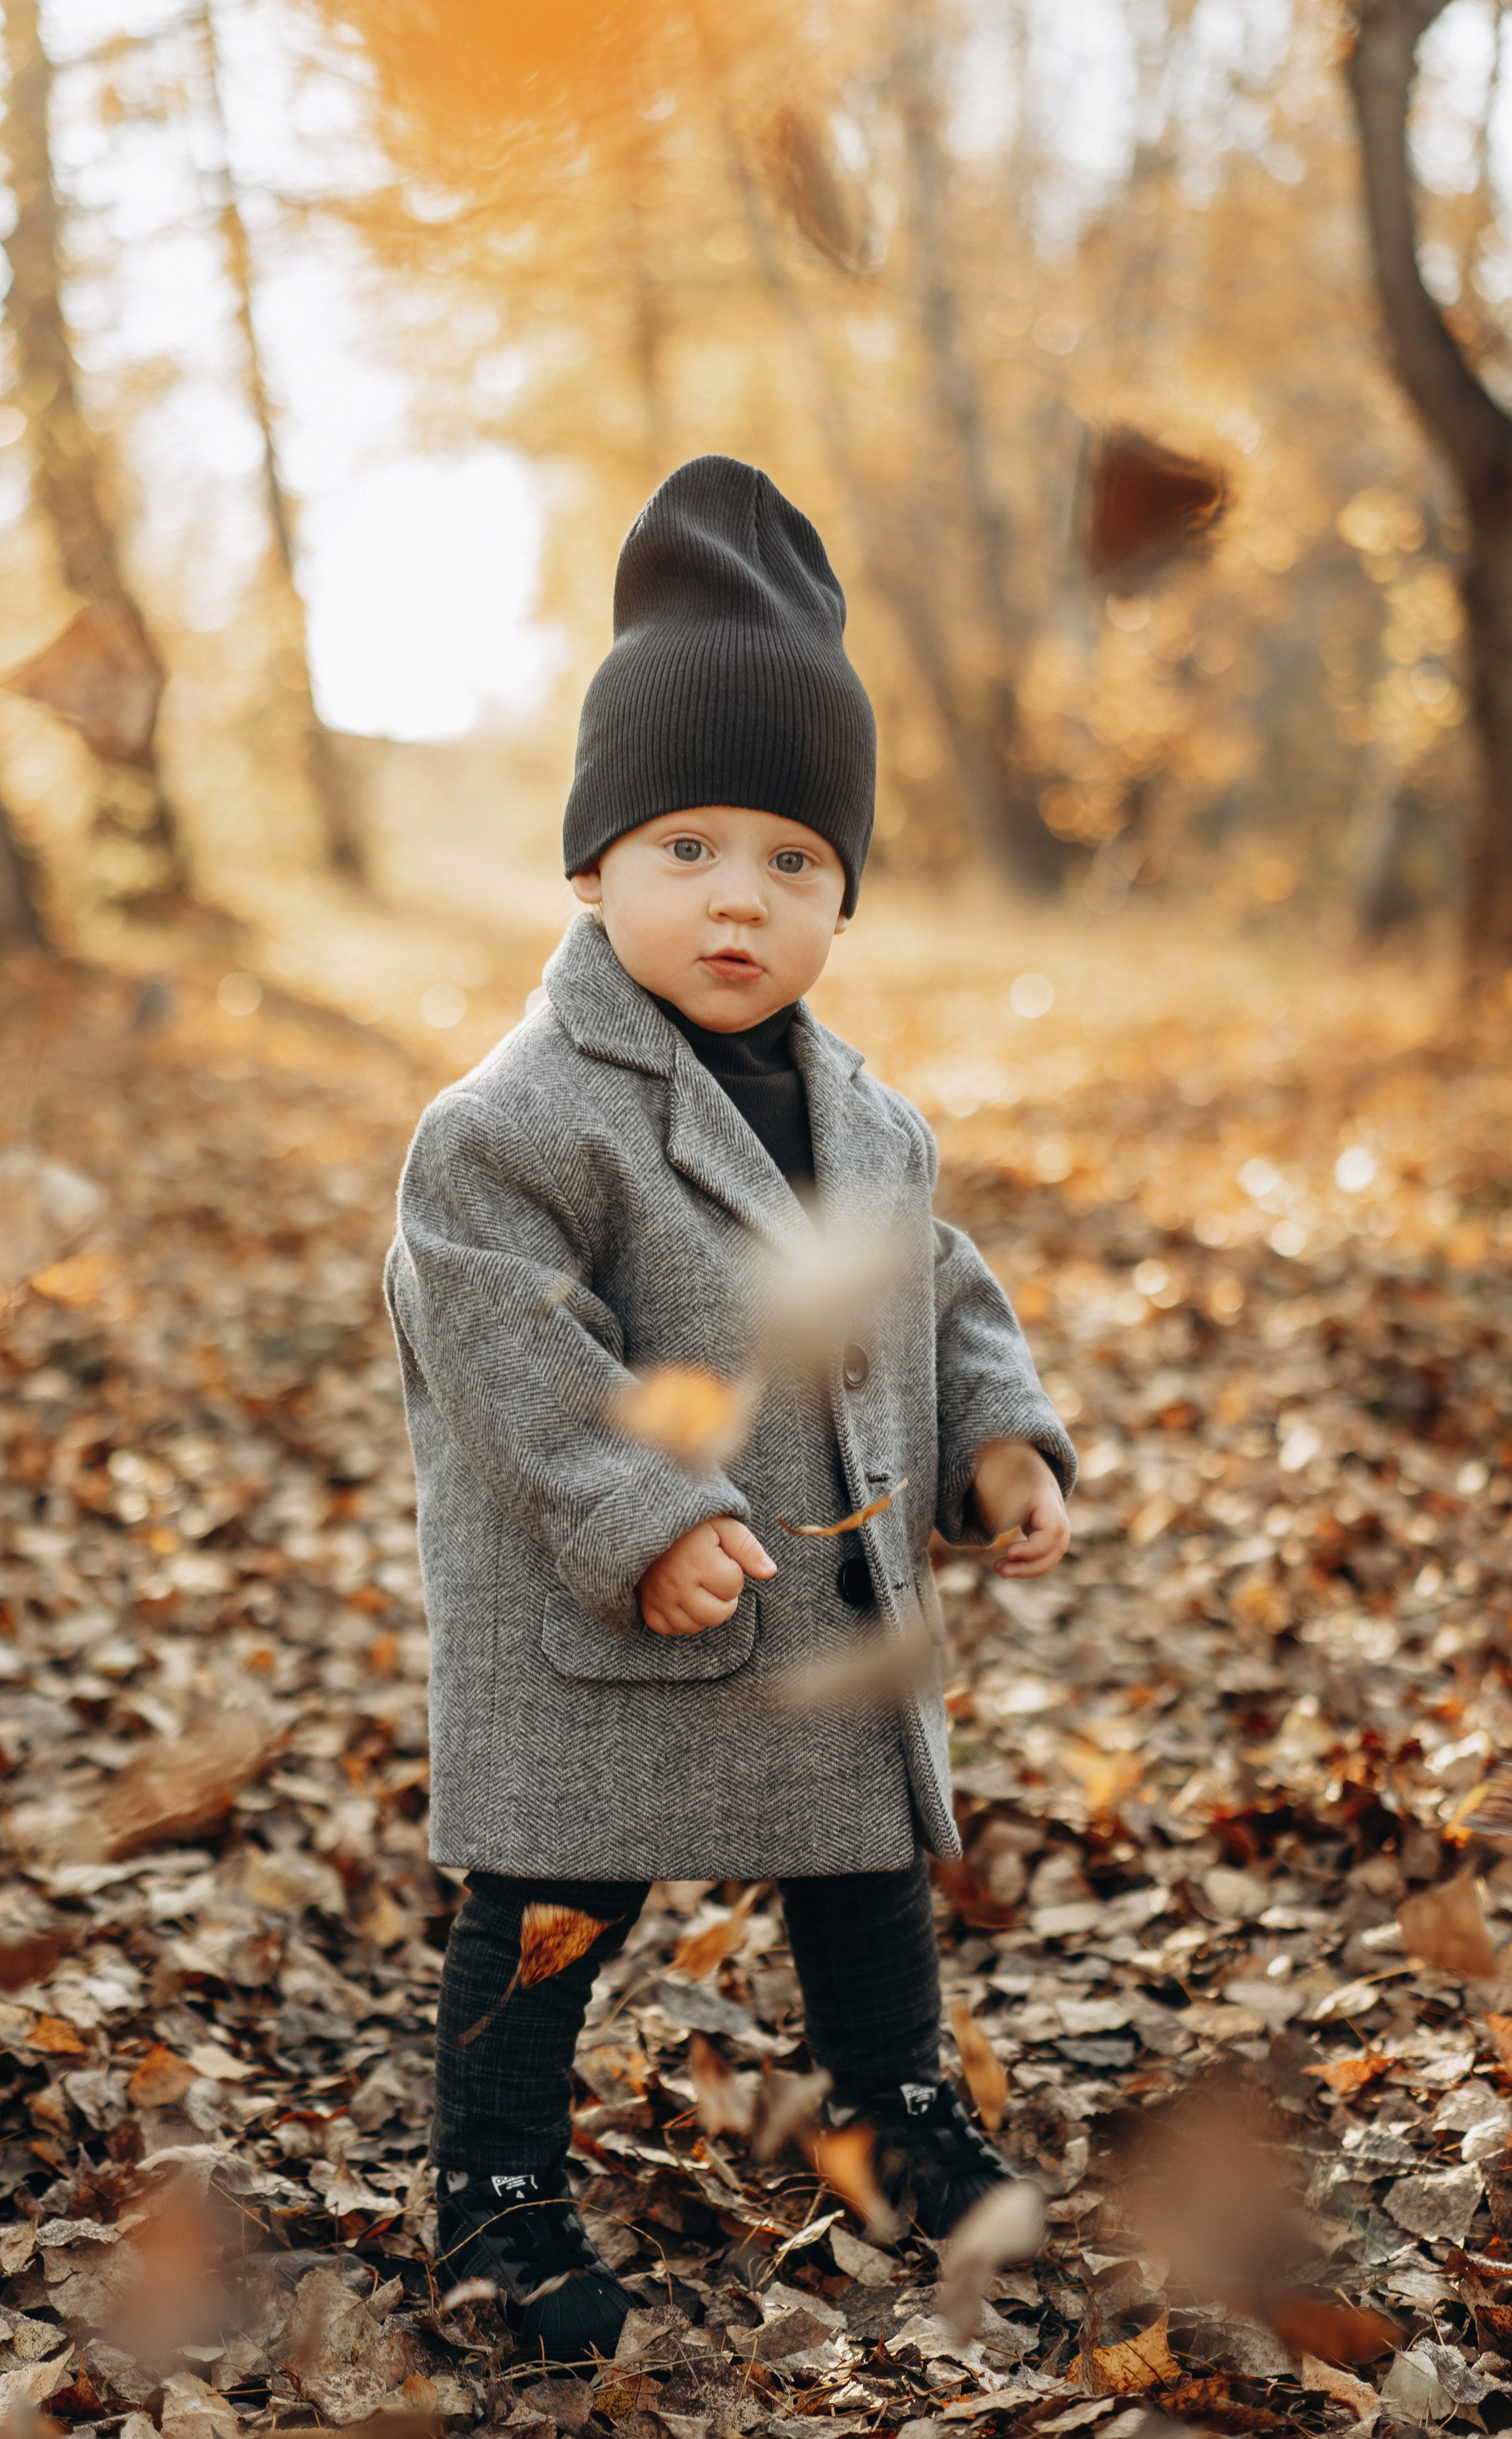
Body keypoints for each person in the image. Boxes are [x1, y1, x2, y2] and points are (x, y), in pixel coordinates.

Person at [385, 454, 1075, 2356]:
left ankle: (895, 2108)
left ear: (844, 895)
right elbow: (509, 1344)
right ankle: (498, 2188)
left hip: (825, 1596)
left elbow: (932, 1286)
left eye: (792, 862)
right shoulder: (513, 1124)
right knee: (553, 1899)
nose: (738, 902)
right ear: (592, 868)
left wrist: (995, 1435)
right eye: (685, 850)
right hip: (613, 1614)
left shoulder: (869, 1116)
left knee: (867, 1873)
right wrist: (646, 1514)